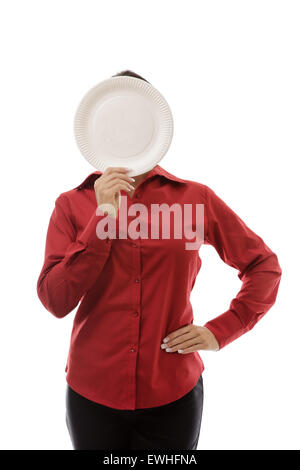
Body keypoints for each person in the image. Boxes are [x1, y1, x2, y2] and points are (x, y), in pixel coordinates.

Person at [36, 70, 282, 450]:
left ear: (154, 127)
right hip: (91, 393)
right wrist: (102, 218)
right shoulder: (71, 205)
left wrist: (222, 330)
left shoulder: (195, 199)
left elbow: (263, 265)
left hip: (174, 393)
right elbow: (55, 301)